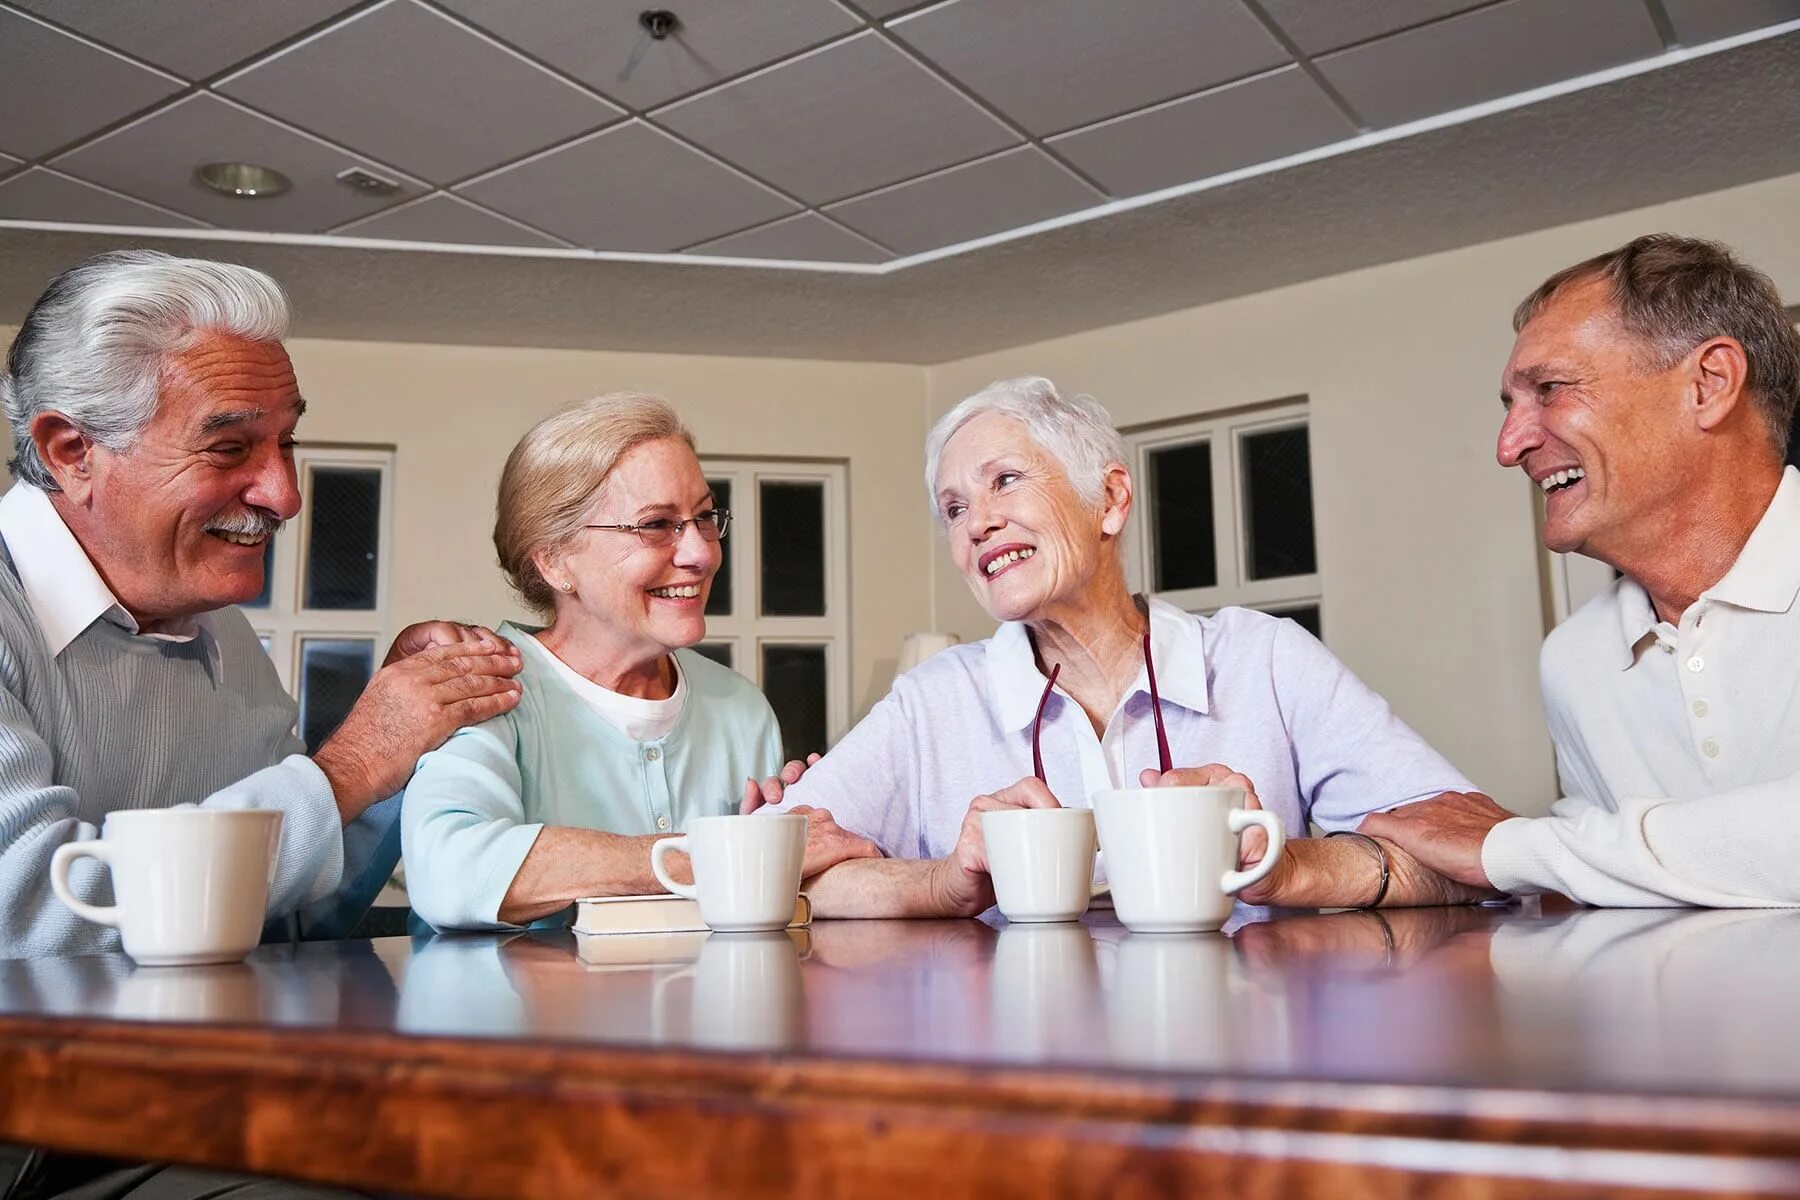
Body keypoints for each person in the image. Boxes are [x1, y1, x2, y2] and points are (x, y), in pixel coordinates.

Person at [0, 250, 524, 1198]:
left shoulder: (220, 635)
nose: (284, 493)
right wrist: (355, 761)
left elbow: (293, 910)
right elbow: (30, 913)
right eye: (230, 447)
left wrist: (405, 742)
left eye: (285, 445)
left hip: (209, 1103)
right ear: (72, 450)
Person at [762, 376, 1495, 917]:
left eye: (1005, 481)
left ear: (1110, 501)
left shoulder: (1265, 660)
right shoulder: (935, 700)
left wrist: (1283, 865)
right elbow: (775, 865)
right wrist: (946, 880)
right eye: (954, 509)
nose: (975, 524)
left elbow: (1468, 862)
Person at [1363, 235, 1800, 906]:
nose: (1510, 446)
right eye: (1510, 407)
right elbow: (1603, 872)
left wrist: (1514, 848)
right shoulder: (1574, 660)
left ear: (1708, 383)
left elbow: (1573, 855)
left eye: (1549, 389)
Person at [400, 393, 876, 931]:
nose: (700, 553)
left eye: (703, 517)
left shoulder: (739, 707)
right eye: (657, 525)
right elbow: (451, 873)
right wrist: (719, 856)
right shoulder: (482, 686)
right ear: (554, 559)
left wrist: (789, 844)